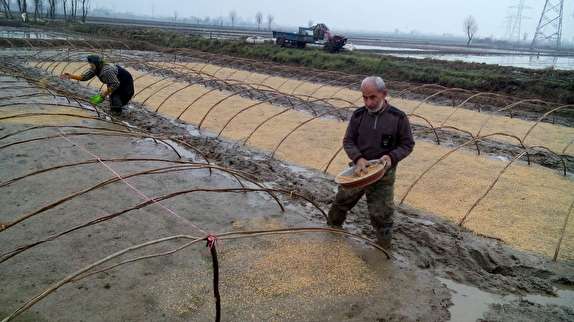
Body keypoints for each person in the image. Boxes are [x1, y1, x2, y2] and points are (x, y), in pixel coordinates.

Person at [327, 76, 415, 249]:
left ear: (384, 94)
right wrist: (358, 159)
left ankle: (383, 247)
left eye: (372, 97)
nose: (368, 102)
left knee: (382, 214)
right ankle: (332, 229)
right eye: (364, 97)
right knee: (341, 201)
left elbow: (407, 144)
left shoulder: (398, 118)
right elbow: (348, 141)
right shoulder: (358, 115)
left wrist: (391, 157)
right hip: (358, 171)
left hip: (383, 175)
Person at [61, 55, 134, 115]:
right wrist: (70, 76)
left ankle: (118, 116)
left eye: (91, 64)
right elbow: (84, 77)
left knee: (115, 99)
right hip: (116, 82)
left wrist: (103, 94)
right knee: (113, 99)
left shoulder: (106, 70)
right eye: (90, 64)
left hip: (126, 85)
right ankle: (119, 109)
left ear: (97, 63)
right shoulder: (95, 68)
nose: (90, 66)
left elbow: (115, 83)